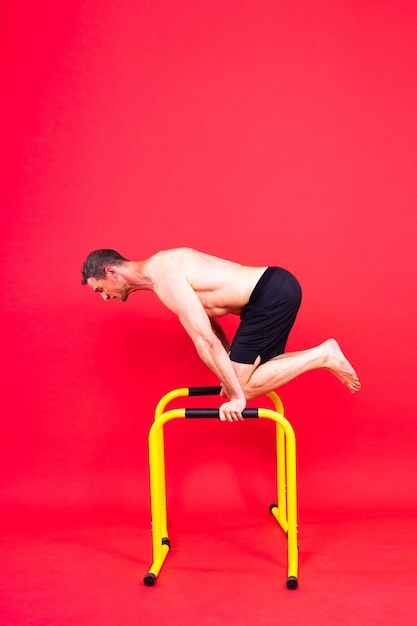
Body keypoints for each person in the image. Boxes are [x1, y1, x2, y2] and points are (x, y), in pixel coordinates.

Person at [81, 247, 360, 422]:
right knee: (248, 380)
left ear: (111, 272)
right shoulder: (159, 276)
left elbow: (204, 339)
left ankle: (323, 354)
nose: (105, 297)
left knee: (241, 390)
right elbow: (209, 322)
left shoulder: (163, 273)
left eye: (101, 290)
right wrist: (228, 363)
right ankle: (323, 355)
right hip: (269, 294)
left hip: (268, 294)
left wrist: (236, 397)